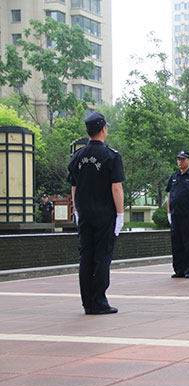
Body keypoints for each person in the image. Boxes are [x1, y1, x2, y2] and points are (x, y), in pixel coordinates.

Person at [67, 112, 124, 315]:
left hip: (84, 214)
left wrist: (76, 210)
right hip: (104, 214)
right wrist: (120, 214)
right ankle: (98, 301)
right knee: (102, 257)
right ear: (103, 129)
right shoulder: (111, 156)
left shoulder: (77, 157)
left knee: (86, 258)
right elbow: (116, 187)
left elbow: (74, 187)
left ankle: (87, 302)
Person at [166, 150, 189, 279]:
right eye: (179, 159)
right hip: (175, 214)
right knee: (176, 243)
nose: (180, 162)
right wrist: (169, 212)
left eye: (183, 159)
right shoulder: (174, 177)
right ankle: (178, 270)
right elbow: (170, 194)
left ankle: (188, 270)